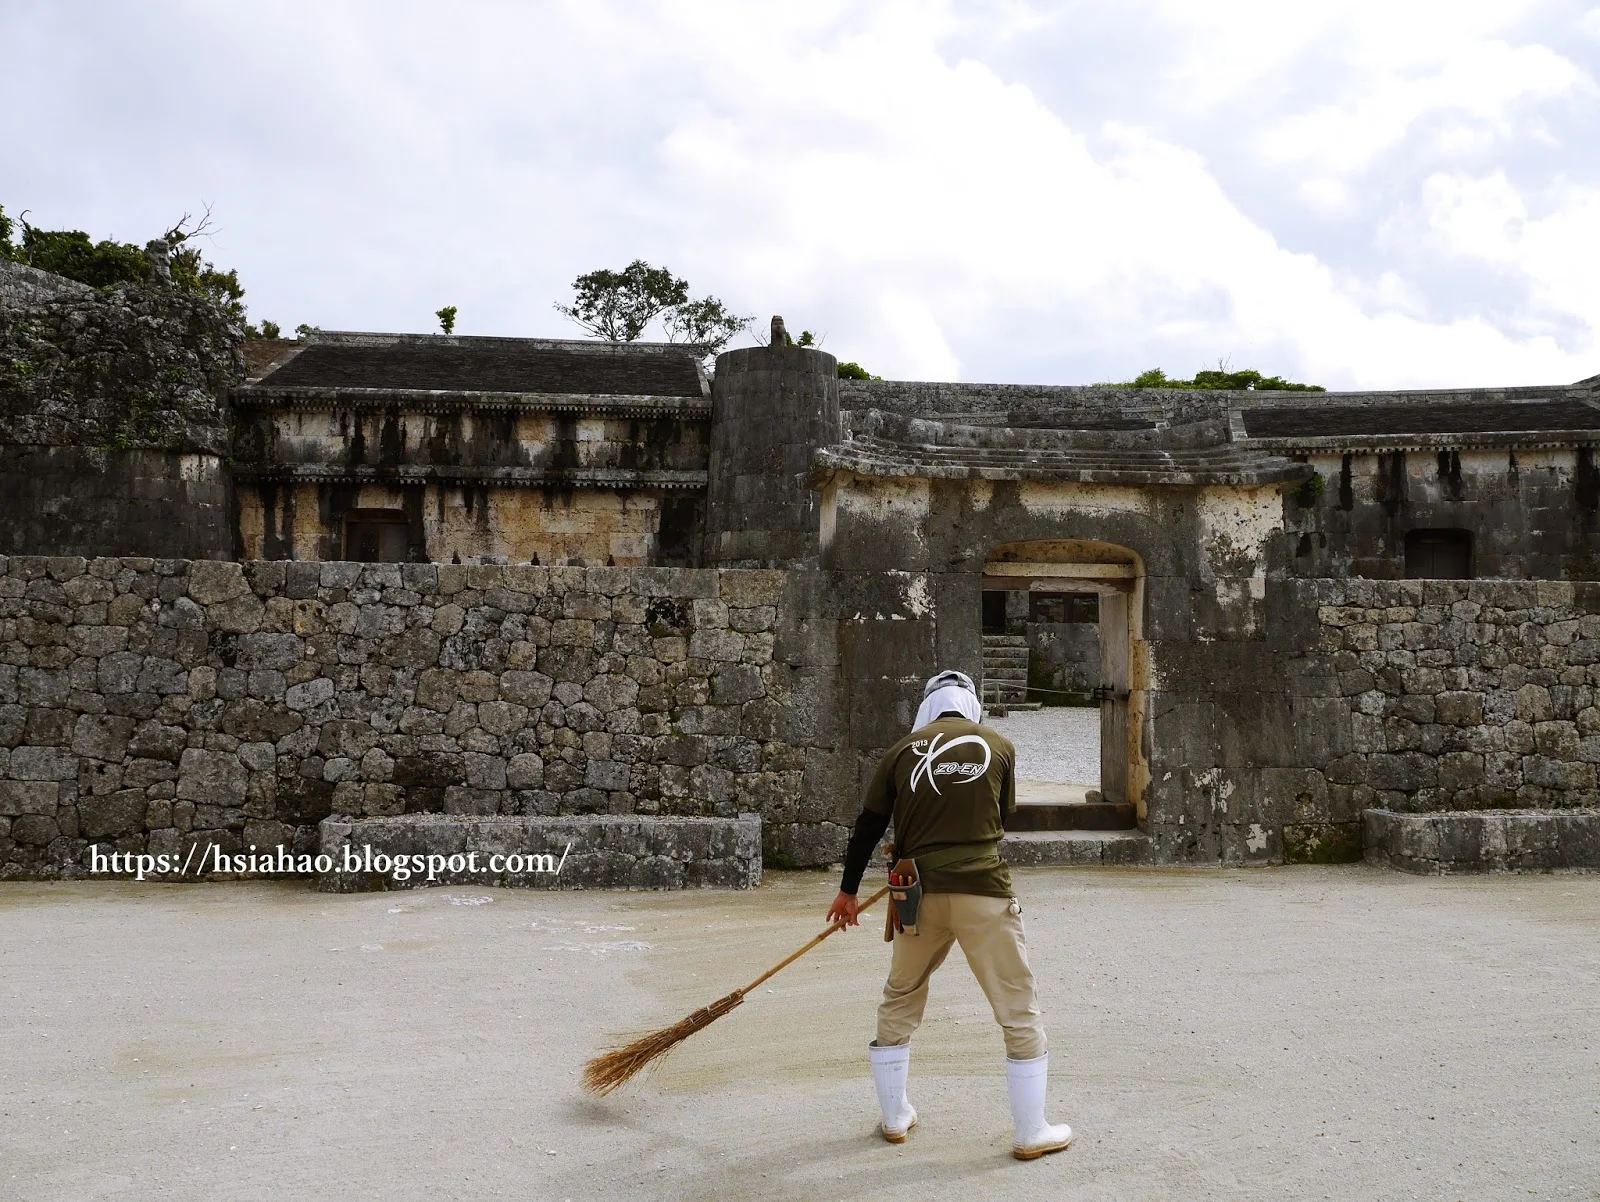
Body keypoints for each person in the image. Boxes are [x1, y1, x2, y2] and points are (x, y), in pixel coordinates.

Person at [826, 669, 1073, 1160]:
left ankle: (895, 1118)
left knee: (901, 996)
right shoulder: (998, 744)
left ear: (927, 707)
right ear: (970, 705)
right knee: (1017, 1004)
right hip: (984, 892)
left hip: (915, 895)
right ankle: (1030, 1132)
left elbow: (868, 825)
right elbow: (1003, 817)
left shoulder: (900, 752)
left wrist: (847, 892)